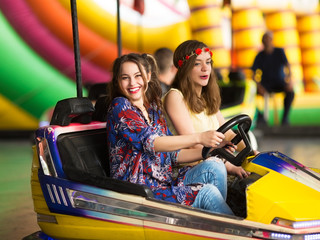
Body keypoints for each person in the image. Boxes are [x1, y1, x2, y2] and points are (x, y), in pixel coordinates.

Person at [107, 52, 234, 215]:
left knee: (214, 165)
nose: (132, 83)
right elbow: (153, 143)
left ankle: (212, 227)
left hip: (164, 183)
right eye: (125, 78)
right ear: (117, 82)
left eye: (138, 75)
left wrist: (211, 150)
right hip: (139, 192)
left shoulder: (152, 109)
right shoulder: (120, 107)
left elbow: (173, 154)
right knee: (207, 193)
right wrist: (200, 137)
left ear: (148, 76)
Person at [163, 40, 252, 179]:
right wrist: (230, 166)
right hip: (189, 171)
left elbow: (228, 134)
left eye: (208, 62)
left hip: (215, 163)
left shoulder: (207, 97)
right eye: (197, 63)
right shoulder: (175, 97)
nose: (205, 68)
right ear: (185, 68)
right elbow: (193, 145)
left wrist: (252, 153)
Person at [251, 31, 295, 126]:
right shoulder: (259, 56)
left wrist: (290, 80)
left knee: (291, 92)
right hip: (265, 85)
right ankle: (261, 117)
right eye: (265, 40)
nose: (267, 42)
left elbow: (288, 66)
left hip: (280, 83)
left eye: (269, 39)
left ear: (272, 40)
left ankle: (285, 118)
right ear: (262, 42)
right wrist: (259, 86)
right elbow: (253, 75)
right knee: (250, 95)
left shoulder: (279, 52)